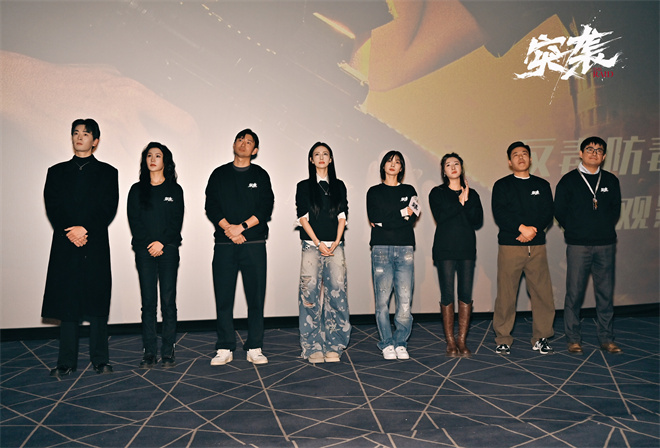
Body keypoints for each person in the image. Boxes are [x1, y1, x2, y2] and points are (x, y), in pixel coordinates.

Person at [42, 118, 119, 377]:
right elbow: (53, 206)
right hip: (66, 244)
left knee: (97, 303)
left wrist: (85, 229)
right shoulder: (56, 171)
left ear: (95, 141)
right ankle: (66, 362)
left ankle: (100, 360)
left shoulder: (108, 172)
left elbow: (108, 207)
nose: (79, 137)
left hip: (94, 243)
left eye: (85, 134)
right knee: (67, 304)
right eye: (76, 133)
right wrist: (72, 231)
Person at [205, 129, 274, 366]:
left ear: (255, 150)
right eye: (240, 140)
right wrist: (229, 229)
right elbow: (211, 206)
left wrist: (241, 228)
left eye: (249, 142)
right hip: (225, 244)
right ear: (234, 144)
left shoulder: (261, 175)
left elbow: (265, 208)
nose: (243, 144)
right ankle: (224, 346)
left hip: (253, 244)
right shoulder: (219, 174)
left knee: (255, 297)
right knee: (224, 297)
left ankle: (254, 346)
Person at [555, 137, 622, 354]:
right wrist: (576, 230)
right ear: (581, 153)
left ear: (604, 156)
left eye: (599, 150)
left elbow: (615, 210)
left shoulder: (610, 180)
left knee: (605, 294)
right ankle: (573, 339)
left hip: (605, 244)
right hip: (578, 245)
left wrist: (601, 228)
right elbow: (559, 211)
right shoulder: (568, 181)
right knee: (574, 294)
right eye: (590, 149)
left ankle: (607, 338)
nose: (594, 153)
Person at [491, 142, 555, 355]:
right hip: (511, 246)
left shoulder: (542, 185)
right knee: (506, 294)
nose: (520, 157)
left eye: (524, 154)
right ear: (510, 161)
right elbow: (500, 213)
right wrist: (521, 228)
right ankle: (503, 338)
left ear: (530, 159)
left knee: (542, 294)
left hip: (537, 247)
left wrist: (532, 230)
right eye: (516, 155)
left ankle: (542, 337)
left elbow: (548, 212)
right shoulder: (502, 185)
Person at [127, 142, 184, 368]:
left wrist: (162, 242)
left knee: (168, 301)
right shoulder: (136, 190)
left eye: (157, 156)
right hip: (144, 250)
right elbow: (134, 221)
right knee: (148, 302)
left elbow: (176, 221)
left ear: (165, 161)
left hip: (168, 249)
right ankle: (149, 352)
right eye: (149, 155)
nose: (152, 159)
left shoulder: (175, 190)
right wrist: (150, 244)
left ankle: (168, 351)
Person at [295, 142, 351, 363]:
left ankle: (334, 345)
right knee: (309, 296)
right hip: (312, 246)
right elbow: (302, 218)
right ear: (311, 160)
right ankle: (312, 347)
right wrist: (318, 243)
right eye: (316, 154)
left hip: (335, 246)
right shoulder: (303, 186)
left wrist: (336, 242)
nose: (321, 157)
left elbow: (342, 215)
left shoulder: (339, 185)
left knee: (337, 294)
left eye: (325, 154)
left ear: (330, 159)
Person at [429, 153, 483, 357]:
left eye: (456, 164)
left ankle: (462, 340)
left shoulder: (472, 194)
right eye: (448, 165)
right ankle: (450, 342)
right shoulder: (437, 193)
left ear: (461, 168)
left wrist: (466, 200)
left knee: (466, 294)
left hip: (466, 248)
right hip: (445, 249)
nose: (453, 167)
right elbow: (441, 217)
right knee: (447, 294)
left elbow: (477, 220)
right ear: (443, 171)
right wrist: (459, 202)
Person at [366, 151, 419, 360]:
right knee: (382, 301)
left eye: (397, 162)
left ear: (401, 168)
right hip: (381, 249)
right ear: (383, 166)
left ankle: (400, 342)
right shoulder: (374, 192)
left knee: (405, 300)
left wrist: (386, 220)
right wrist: (401, 213)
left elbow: (412, 218)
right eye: (389, 161)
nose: (393, 164)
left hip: (405, 248)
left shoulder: (409, 190)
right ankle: (386, 343)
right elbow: (375, 216)